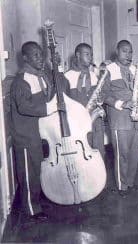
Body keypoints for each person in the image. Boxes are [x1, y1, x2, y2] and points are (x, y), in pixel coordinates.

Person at [10, 41, 67, 221]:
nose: (40, 58)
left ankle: (38, 201)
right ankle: (31, 209)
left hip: (39, 133)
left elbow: (50, 96)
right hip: (25, 135)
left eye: (41, 54)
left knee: (38, 171)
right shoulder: (21, 81)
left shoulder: (40, 76)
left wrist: (56, 69)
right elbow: (24, 107)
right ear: (25, 58)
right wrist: (50, 108)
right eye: (35, 55)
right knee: (29, 174)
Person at [102, 40, 138, 196]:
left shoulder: (135, 69)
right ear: (117, 52)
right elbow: (103, 94)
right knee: (122, 154)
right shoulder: (108, 70)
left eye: (130, 51)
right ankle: (122, 185)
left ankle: (129, 182)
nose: (129, 54)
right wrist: (122, 104)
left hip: (136, 118)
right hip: (119, 118)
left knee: (134, 153)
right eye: (125, 51)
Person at [64, 43, 105, 158]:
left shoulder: (94, 75)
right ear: (77, 55)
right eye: (87, 54)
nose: (90, 58)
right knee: (82, 156)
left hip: (95, 123)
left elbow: (99, 97)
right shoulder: (67, 77)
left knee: (99, 155)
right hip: (78, 124)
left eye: (91, 55)